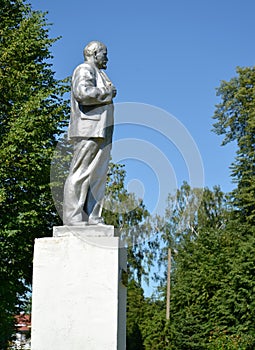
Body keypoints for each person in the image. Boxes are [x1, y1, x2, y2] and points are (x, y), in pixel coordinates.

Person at [63, 41, 117, 226]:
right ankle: (73, 217)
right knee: (81, 172)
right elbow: (82, 93)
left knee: (97, 175)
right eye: (104, 54)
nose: (107, 58)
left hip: (101, 130)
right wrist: (107, 92)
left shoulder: (100, 73)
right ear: (95, 54)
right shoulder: (84, 69)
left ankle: (93, 216)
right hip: (89, 129)